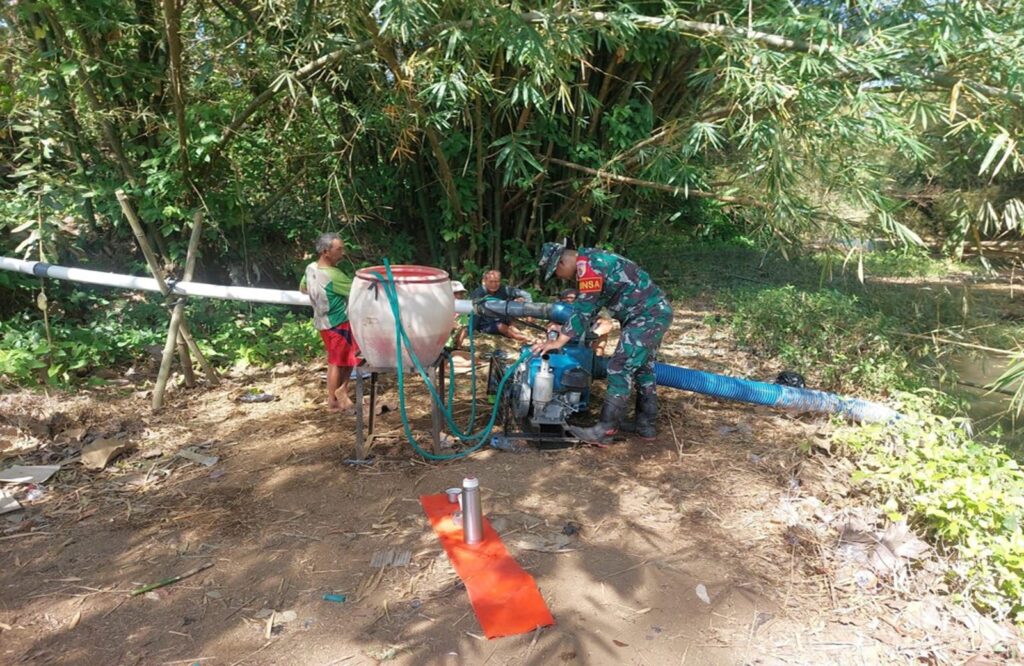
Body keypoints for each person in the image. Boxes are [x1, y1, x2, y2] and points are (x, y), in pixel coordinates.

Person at [533, 240, 673, 444]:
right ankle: (645, 426)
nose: (560, 279)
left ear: (561, 264)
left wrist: (558, 342)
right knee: (643, 369)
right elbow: (591, 306)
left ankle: (605, 430)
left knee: (618, 367)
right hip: (651, 313)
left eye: (556, 274)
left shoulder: (588, 268)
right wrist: (564, 330)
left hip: (647, 316)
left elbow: (583, 311)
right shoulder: (593, 259)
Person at [300, 233, 359, 413]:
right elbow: (359, 290)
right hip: (338, 323)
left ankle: (337, 395)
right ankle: (336, 398)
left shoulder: (310, 268)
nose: (342, 252)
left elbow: (303, 288)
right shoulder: (334, 275)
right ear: (326, 252)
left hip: (322, 321)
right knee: (339, 361)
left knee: (342, 359)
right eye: (338, 249)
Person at [469, 269, 533, 343]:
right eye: (491, 281)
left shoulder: (504, 289)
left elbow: (526, 294)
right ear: (484, 281)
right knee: (502, 327)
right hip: (486, 324)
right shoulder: (478, 294)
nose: (494, 284)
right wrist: (472, 328)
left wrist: (529, 314)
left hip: (504, 318)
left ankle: (516, 331)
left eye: (496, 281)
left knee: (515, 308)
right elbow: (474, 313)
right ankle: (524, 338)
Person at [558, 288, 614, 356]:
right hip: (565, 341)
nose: (569, 300)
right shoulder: (559, 310)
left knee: (604, 327)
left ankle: (596, 357)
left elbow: (602, 322)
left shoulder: (583, 307)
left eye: (572, 298)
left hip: (586, 333)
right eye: (566, 298)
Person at [447, 280, 470, 350]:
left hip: (452, 344)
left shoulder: (462, 312)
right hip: (440, 345)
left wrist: (458, 347)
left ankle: (457, 348)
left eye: (461, 294)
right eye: (456, 293)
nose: (459, 296)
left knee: (465, 328)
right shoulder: (442, 309)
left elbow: (464, 330)